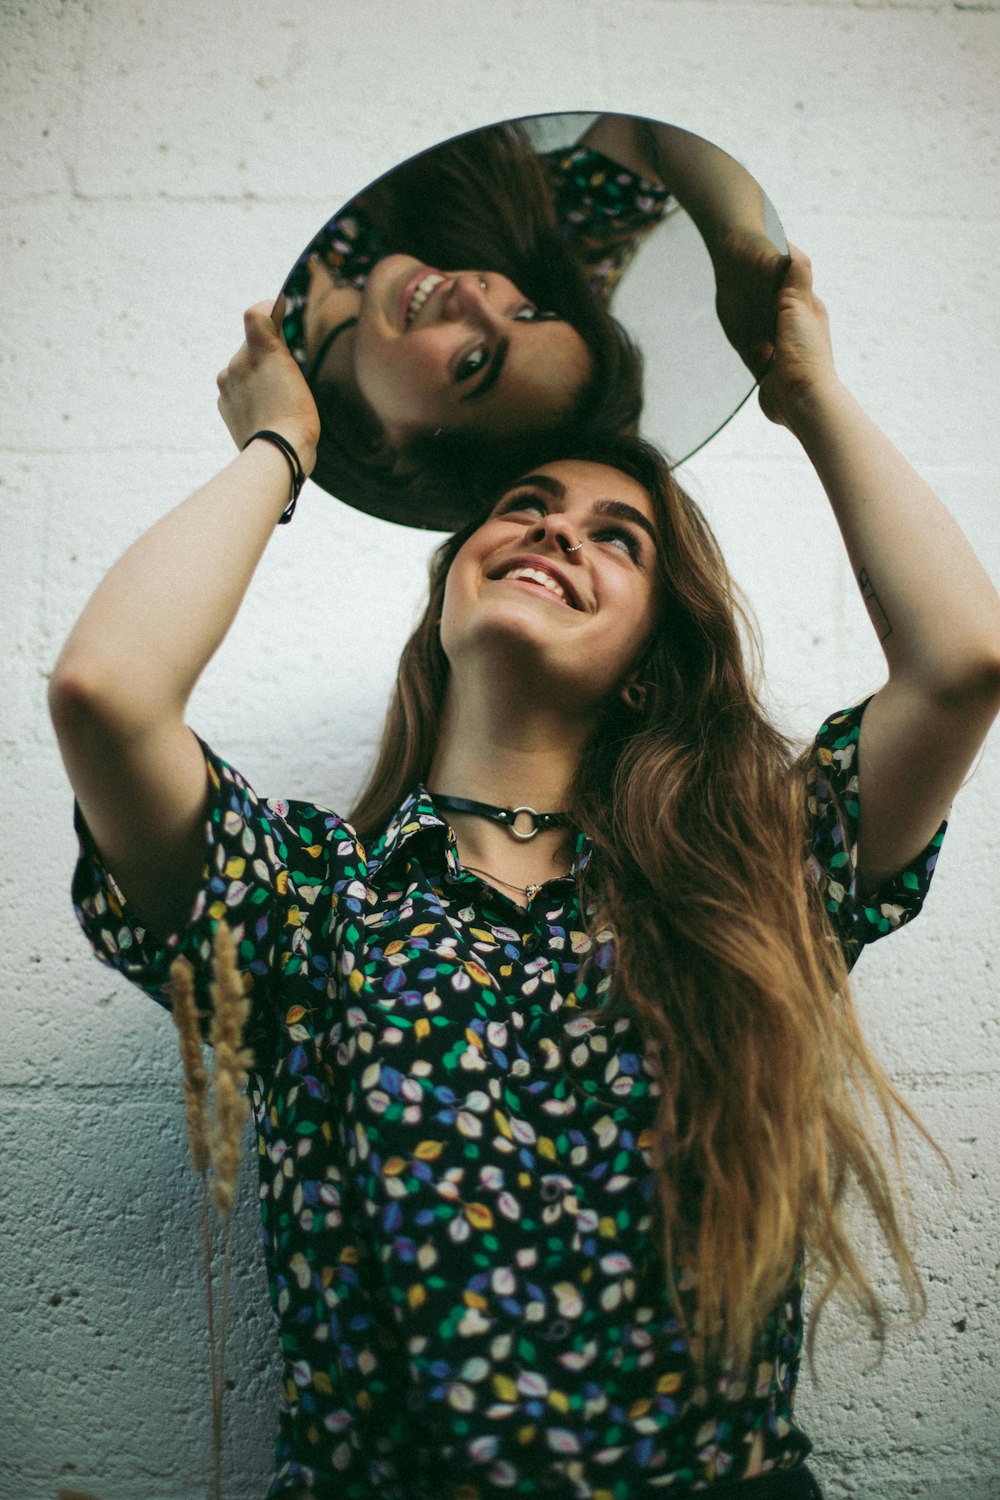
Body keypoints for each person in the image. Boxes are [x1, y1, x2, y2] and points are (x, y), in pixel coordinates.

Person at [50, 248, 1000, 1498]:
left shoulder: (744, 876)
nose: (557, 526)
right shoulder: (306, 898)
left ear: (650, 656)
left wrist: (805, 391)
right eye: (527, 506)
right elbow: (105, 693)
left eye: (619, 538)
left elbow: (963, 662)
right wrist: (283, 445)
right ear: (449, 584)